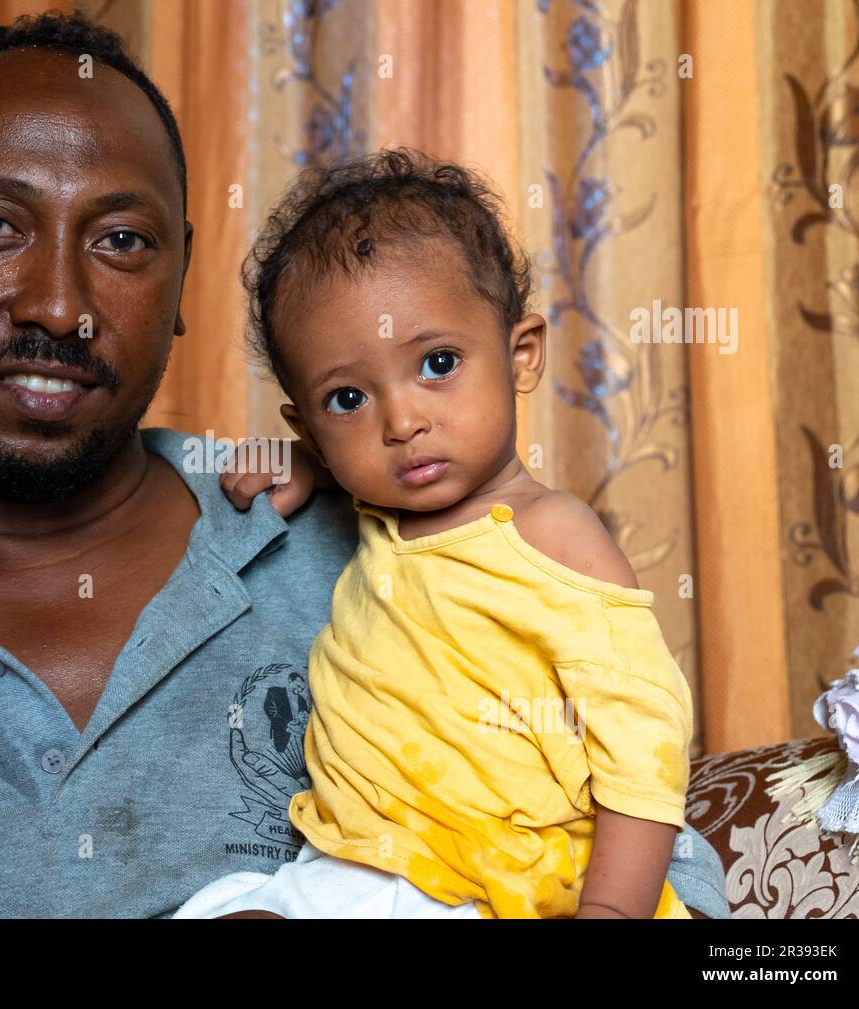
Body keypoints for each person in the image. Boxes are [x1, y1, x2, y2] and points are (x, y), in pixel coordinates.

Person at [0, 12, 729, 918]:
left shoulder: (380, 544)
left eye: (122, 241)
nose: (57, 302)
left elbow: (663, 871)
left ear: (181, 288)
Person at [177, 151, 701, 919]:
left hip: (495, 882)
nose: (402, 421)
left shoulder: (554, 536)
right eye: (349, 396)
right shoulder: (378, 511)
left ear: (521, 355)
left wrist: (613, 912)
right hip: (346, 863)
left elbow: (643, 744)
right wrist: (302, 464)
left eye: (438, 362)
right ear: (313, 429)